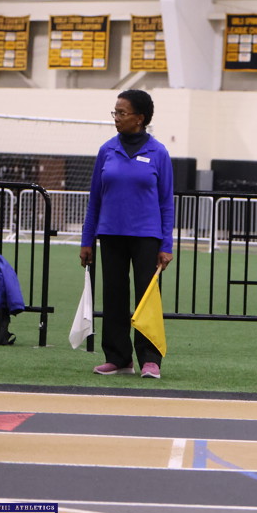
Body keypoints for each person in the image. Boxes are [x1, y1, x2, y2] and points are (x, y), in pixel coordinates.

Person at [80, 89, 174, 379]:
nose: (116, 118)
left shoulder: (158, 153)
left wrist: (166, 244)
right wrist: (87, 240)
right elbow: (95, 199)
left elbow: (166, 202)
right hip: (110, 235)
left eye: (122, 113)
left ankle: (150, 359)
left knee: (147, 298)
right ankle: (118, 358)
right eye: (115, 112)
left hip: (147, 236)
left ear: (139, 118)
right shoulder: (107, 150)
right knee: (114, 296)